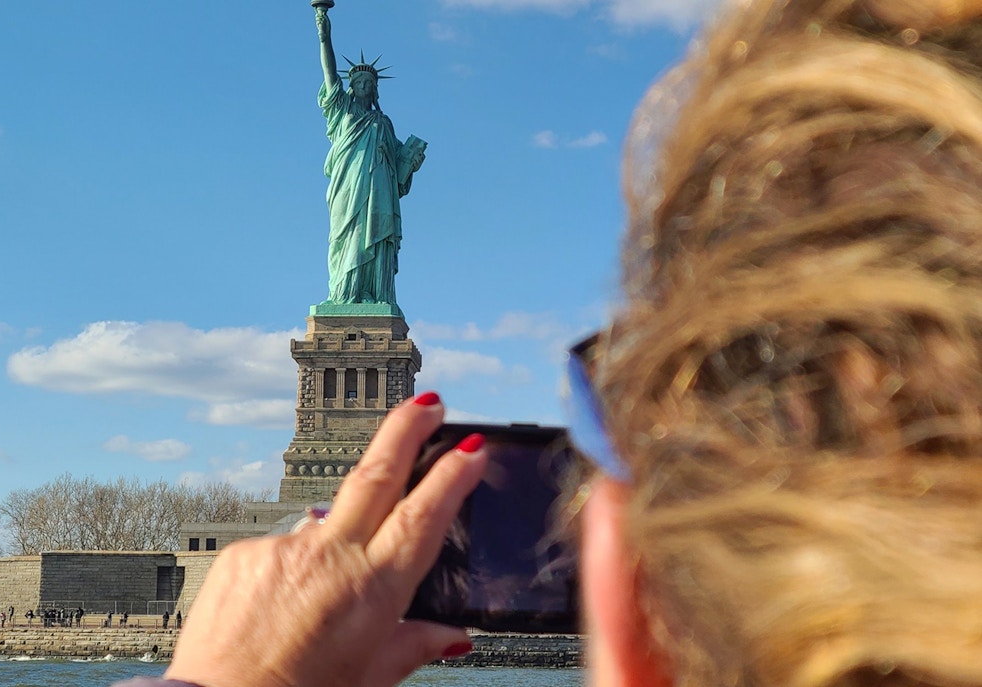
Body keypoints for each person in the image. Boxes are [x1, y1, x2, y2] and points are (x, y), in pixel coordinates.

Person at [116, 1, 982, 686]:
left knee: (373, 255)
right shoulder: (348, 118)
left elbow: (396, 172)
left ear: (626, 603)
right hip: (351, 222)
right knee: (354, 255)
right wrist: (319, 22)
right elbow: (327, 81)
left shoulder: (377, 134)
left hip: (376, 224)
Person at [314, 4, 426, 307]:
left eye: (369, 84)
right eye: (358, 83)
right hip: (348, 186)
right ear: (351, 88)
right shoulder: (342, 112)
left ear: (375, 90)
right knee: (348, 236)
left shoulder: (383, 123)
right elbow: (329, 74)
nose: (363, 87)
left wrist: (411, 162)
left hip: (379, 191)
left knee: (374, 237)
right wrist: (325, 36)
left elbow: (398, 170)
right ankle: (344, 294)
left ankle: (375, 294)